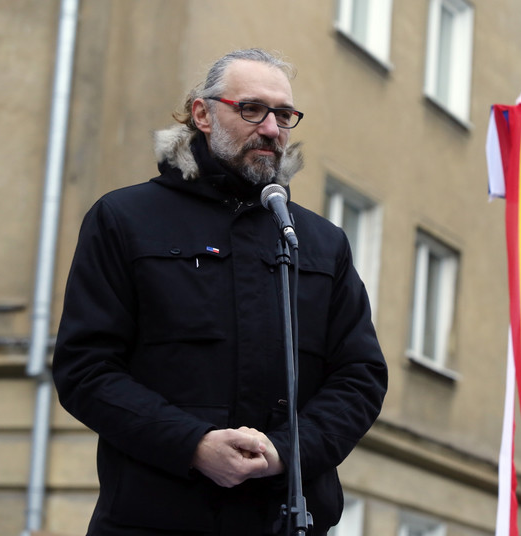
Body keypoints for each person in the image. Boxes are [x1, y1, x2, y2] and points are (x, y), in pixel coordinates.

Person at [52, 48, 388, 536]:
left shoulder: (319, 242)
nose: (272, 128)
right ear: (203, 114)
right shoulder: (125, 219)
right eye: (251, 109)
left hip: (287, 522)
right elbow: (85, 369)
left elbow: (360, 378)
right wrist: (193, 444)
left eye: (284, 115)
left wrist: (284, 453)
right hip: (153, 521)